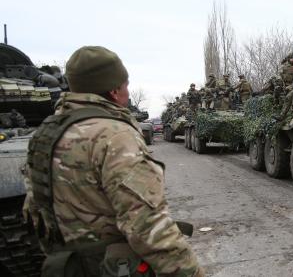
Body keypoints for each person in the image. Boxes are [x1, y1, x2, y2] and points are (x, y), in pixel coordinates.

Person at [23, 46, 202, 277]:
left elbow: (33, 209)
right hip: (112, 268)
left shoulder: (46, 133)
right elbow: (147, 227)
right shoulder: (115, 136)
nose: (127, 93)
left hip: (64, 265)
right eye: (126, 85)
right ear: (115, 89)